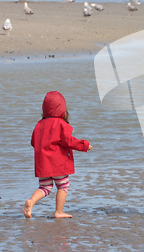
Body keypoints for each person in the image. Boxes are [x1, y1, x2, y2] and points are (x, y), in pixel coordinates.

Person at [24, 91, 92, 219]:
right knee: (63, 185)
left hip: (43, 163)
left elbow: (33, 142)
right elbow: (68, 141)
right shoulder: (61, 124)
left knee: (45, 187)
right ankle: (59, 211)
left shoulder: (39, 124)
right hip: (58, 163)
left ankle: (31, 201)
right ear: (62, 109)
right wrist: (84, 145)